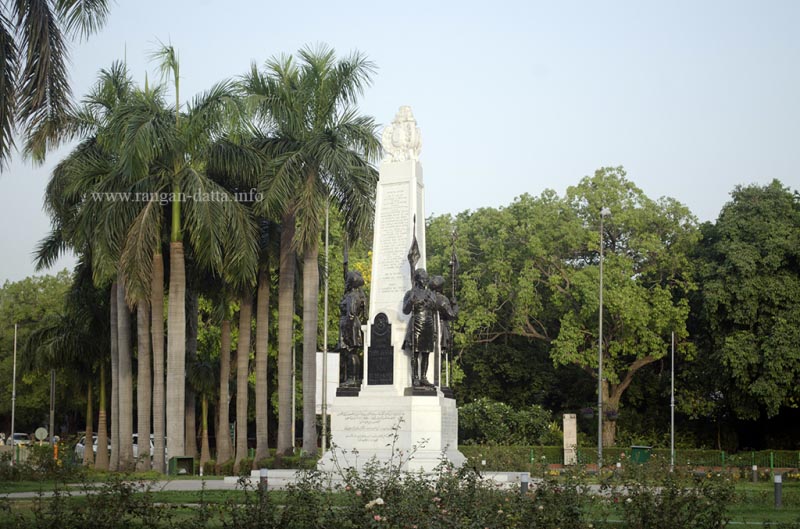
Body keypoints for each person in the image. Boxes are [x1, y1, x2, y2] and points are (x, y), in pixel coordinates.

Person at [402, 268, 438, 387]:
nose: (425, 281)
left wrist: (429, 302)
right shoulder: (410, 293)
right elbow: (405, 310)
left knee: (426, 352)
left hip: (428, 323)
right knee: (415, 352)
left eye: (426, 279)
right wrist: (411, 302)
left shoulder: (430, 293)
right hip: (416, 322)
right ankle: (415, 377)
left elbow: (434, 307)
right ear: (417, 279)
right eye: (423, 278)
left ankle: (423, 377)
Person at [337, 270, 367, 387]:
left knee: (351, 352)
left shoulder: (352, 296)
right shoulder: (358, 295)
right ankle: (352, 378)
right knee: (351, 352)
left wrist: (347, 332)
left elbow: (351, 313)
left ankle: (352, 378)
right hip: (353, 324)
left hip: (350, 325)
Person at [430, 275, 458, 361]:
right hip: (440, 330)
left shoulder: (427, 297)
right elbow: (452, 315)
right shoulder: (442, 300)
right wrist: (455, 305)